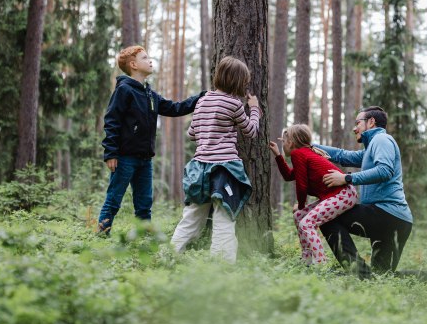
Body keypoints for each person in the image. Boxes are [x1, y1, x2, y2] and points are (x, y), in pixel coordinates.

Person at [98, 45, 204, 235]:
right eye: (145, 58)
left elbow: (174, 108)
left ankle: (143, 241)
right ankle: (101, 234)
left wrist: (199, 98)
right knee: (114, 199)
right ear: (133, 65)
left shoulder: (150, 95)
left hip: (145, 159)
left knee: (144, 204)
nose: (150, 60)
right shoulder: (124, 90)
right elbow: (112, 121)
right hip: (124, 158)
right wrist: (111, 153)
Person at [170, 56, 261, 263]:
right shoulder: (234, 104)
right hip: (225, 170)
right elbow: (251, 131)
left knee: (191, 216)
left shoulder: (202, 101)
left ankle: (170, 256)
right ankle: (222, 265)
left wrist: (207, 132)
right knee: (224, 217)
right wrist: (254, 109)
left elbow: (191, 133)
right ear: (238, 82)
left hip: (199, 168)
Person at [318, 106, 413, 277]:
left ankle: (358, 272)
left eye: (358, 123)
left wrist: (347, 178)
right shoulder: (371, 148)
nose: (355, 128)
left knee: (327, 215)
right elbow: (341, 155)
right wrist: (308, 146)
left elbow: (385, 170)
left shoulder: (381, 140)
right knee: (383, 277)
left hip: (387, 214)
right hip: (398, 221)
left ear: (371, 122)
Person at [269, 124, 359, 265]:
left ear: (291, 143)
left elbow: (302, 185)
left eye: (283, 143)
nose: (283, 145)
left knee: (307, 223)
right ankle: (307, 259)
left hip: (343, 194)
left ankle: (321, 263)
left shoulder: (298, 154)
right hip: (342, 193)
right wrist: (278, 155)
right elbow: (289, 175)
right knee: (300, 216)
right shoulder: (305, 154)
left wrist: (301, 205)